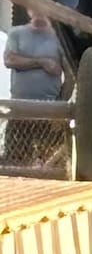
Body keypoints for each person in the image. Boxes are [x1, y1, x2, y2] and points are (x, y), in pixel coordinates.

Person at [4, 11, 65, 165]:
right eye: (34, 7)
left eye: (42, 8)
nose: (38, 12)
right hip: (19, 109)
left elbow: (70, 74)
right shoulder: (16, 34)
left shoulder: (60, 38)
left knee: (49, 162)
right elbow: (10, 59)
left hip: (50, 111)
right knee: (15, 161)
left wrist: (63, 106)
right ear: (28, 9)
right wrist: (42, 62)